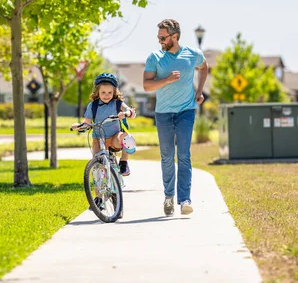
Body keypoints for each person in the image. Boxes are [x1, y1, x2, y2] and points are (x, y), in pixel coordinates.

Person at [143, 19, 208, 216]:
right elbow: (147, 86)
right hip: (163, 113)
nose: (160, 41)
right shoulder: (155, 57)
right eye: (158, 38)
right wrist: (167, 80)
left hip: (186, 112)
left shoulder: (193, 54)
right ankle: (169, 196)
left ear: (175, 37)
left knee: (184, 155)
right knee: (167, 156)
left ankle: (185, 199)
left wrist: (199, 90)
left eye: (163, 38)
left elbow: (204, 67)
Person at [72, 72, 137, 176]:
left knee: (127, 138)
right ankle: (99, 190)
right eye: (103, 92)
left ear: (114, 92)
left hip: (114, 138)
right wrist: (80, 126)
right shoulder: (93, 106)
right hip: (98, 139)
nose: (106, 95)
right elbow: (87, 123)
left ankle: (124, 163)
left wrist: (127, 113)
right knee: (97, 169)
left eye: (110, 92)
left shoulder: (117, 103)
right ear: (97, 92)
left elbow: (130, 111)